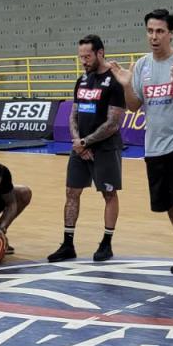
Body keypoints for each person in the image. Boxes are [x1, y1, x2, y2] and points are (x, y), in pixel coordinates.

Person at [109, 9, 173, 290]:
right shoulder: (142, 66)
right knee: (166, 206)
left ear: (171, 33)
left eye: (160, 31)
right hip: (154, 147)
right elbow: (134, 106)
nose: (154, 36)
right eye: (150, 31)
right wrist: (127, 85)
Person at [48, 34, 124, 263]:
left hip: (105, 148)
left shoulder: (115, 81)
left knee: (109, 194)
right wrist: (78, 143)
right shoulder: (82, 80)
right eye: (80, 57)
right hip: (80, 147)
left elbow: (113, 123)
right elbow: (73, 114)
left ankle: (106, 243)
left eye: (87, 56)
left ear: (100, 53)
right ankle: (68, 244)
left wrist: (86, 142)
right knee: (72, 192)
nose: (83, 61)